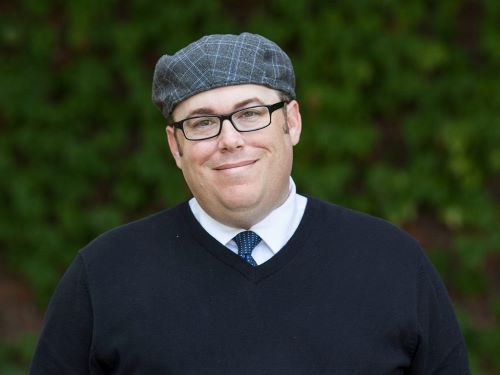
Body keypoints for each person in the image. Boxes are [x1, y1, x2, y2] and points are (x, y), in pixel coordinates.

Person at [30, 32, 470, 374]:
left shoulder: (391, 262)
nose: (230, 140)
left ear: (292, 122)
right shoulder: (105, 274)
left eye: (250, 113)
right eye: (202, 123)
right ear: (175, 146)